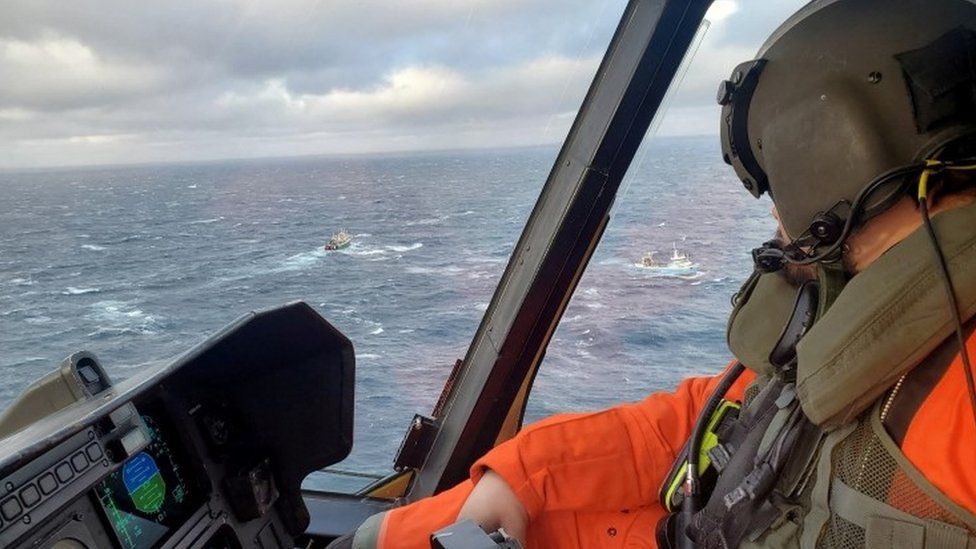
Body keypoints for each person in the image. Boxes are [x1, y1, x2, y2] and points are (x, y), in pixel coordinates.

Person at [331, 0, 976, 546]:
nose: (776, 211)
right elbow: (714, 416)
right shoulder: (850, 302)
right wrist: (520, 479)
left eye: (777, 174)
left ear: (832, 152)